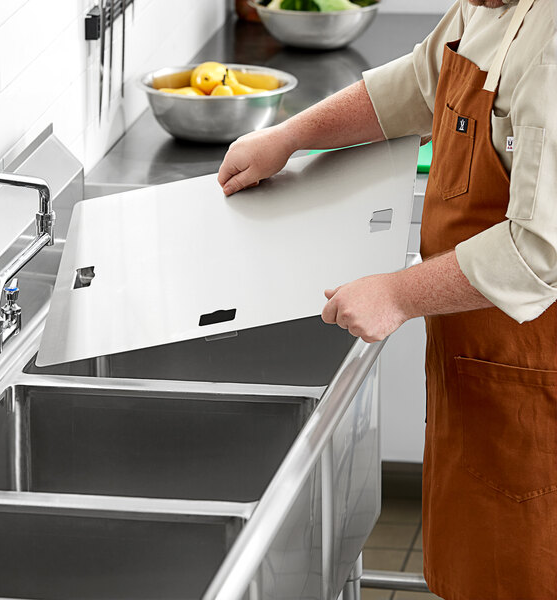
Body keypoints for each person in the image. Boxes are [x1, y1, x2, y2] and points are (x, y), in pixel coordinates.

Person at [217, 0, 557, 598]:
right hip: (478, 363)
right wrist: (292, 136)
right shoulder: (488, 8)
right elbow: (422, 83)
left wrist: (397, 294)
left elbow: (538, 249)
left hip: (537, 375)